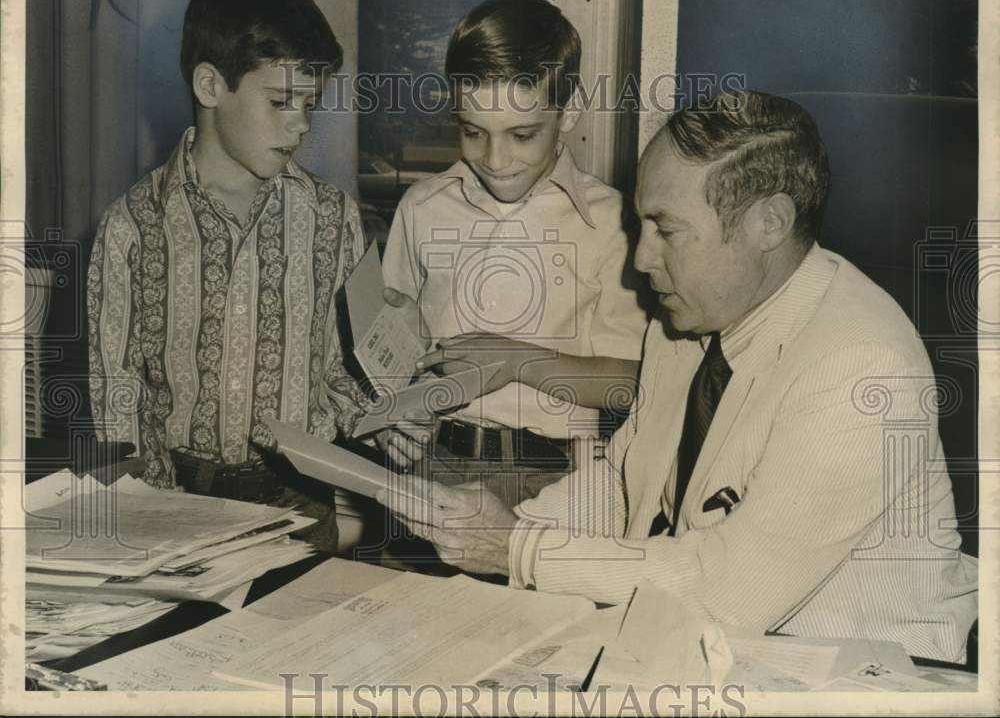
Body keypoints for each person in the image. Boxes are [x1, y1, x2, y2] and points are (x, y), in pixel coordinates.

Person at [379, 90, 979, 663]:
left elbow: (728, 593)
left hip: (861, 676)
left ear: (768, 223)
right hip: (717, 648)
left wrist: (516, 547)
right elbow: (622, 481)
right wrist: (501, 521)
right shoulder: (688, 321)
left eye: (667, 230)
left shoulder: (860, 366)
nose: (642, 259)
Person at [87, 0, 368, 550]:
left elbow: (347, 367)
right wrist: (150, 511)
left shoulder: (332, 216)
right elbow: (118, 393)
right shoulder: (131, 227)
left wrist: (381, 413)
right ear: (211, 86)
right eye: (280, 102)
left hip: (301, 498)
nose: (300, 126)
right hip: (178, 503)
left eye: (310, 104)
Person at [378, 0, 648, 507]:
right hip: (434, 466)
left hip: (560, 480)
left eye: (523, 135)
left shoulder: (616, 224)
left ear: (568, 114)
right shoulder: (421, 208)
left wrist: (518, 362)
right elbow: (393, 352)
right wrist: (393, 413)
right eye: (473, 132)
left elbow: (631, 382)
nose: (495, 160)